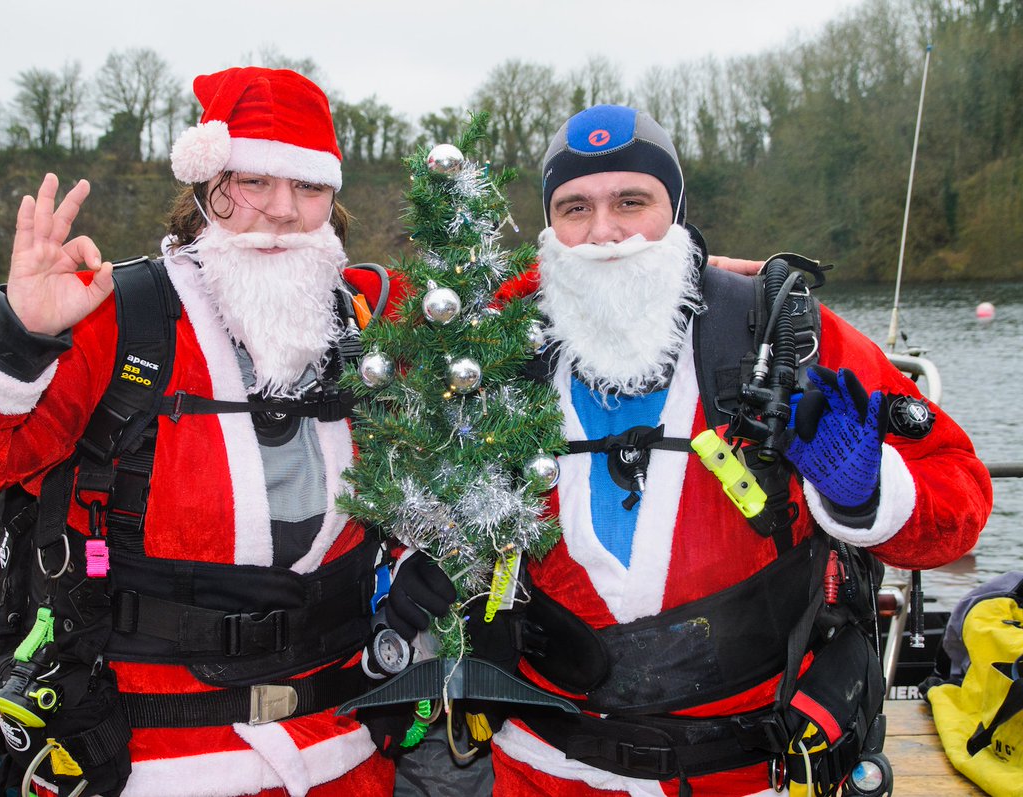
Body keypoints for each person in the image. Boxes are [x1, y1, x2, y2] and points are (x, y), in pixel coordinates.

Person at [409, 104, 992, 796]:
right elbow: (381, 378)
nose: (604, 233)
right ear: (549, 226)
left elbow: (960, 491)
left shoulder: (780, 335)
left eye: (632, 201)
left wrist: (868, 496)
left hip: (747, 773)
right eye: (574, 207)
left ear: (677, 207)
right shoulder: (495, 349)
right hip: (543, 767)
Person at [0, 67, 399, 797]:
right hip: (137, 760)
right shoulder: (117, 320)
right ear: (207, 186)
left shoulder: (372, 326)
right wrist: (14, 331)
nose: (282, 211)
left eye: (308, 188)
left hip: (340, 753)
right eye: (253, 182)